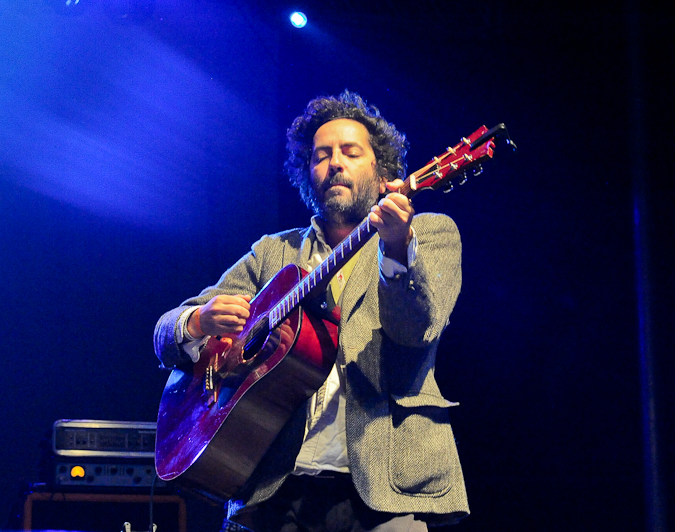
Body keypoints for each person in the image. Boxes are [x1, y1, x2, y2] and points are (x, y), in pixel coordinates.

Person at [154, 91, 468, 531]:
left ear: (384, 177)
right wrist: (198, 322)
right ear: (308, 175)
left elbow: (415, 330)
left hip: (385, 489)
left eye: (350, 152)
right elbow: (165, 330)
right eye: (321, 156)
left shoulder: (428, 235)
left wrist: (397, 249)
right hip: (270, 486)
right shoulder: (273, 251)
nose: (334, 163)